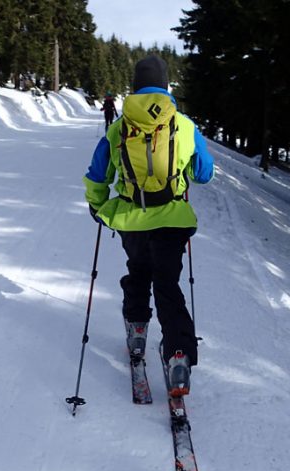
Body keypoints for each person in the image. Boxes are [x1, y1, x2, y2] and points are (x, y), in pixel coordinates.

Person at [83, 55, 214, 396]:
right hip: (173, 218)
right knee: (167, 283)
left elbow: (98, 174)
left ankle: (137, 333)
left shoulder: (119, 126)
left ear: (137, 84)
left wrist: (97, 206)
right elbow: (203, 173)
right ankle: (179, 355)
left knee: (138, 272)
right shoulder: (184, 124)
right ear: (166, 84)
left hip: (132, 218)